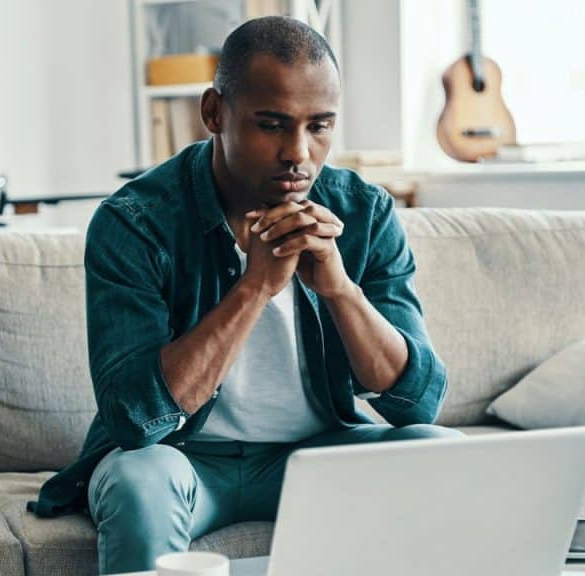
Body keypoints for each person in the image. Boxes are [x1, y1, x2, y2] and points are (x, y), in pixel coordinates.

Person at [26, 16, 462, 574]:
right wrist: (255, 286)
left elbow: (416, 403)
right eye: (272, 124)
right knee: (137, 480)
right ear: (214, 113)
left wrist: (338, 288)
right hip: (180, 458)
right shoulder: (135, 222)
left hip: (317, 454)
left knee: (438, 451)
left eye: (320, 126)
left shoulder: (363, 213)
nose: (298, 153)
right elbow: (135, 419)